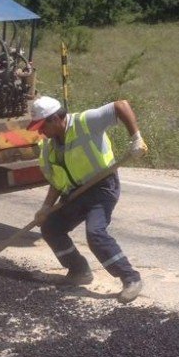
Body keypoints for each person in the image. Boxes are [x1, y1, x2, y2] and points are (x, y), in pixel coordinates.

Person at [27, 95, 148, 303]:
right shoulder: (50, 147)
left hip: (101, 186)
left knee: (95, 233)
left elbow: (121, 105)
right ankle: (79, 271)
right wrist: (45, 208)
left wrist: (136, 137)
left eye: (41, 126)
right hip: (74, 192)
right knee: (50, 227)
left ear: (55, 119)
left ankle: (130, 278)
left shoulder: (85, 122)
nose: (40, 132)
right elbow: (57, 181)